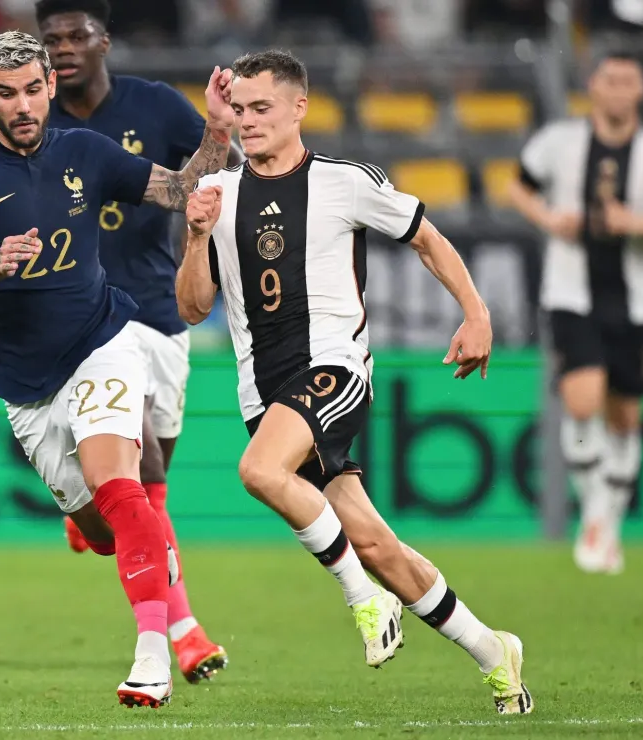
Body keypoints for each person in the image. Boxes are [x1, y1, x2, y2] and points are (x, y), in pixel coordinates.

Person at [177, 50, 533, 715]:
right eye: (240, 110)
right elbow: (193, 307)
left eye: (262, 109)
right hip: (264, 391)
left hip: (334, 369)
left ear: (298, 108)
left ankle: (364, 599)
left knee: (258, 472)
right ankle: (493, 652)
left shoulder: (345, 181)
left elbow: (428, 238)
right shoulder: (217, 196)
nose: (248, 122)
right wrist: (196, 238)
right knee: (372, 543)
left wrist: (476, 313)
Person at [0, 30, 233, 707]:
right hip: (25, 386)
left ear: (49, 86)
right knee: (106, 532)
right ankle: (98, 534)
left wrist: (216, 130)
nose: (23, 104)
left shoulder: (84, 151)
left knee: (126, 486)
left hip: (102, 340)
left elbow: (177, 189)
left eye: (32, 89)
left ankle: (153, 659)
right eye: (7, 94)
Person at [36, 0, 243, 686]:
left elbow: (216, 174)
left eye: (76, 35)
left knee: (147, 489)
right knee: (145, 471)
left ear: (104, 40)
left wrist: (217, 131)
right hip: (80, 323)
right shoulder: (33, 125)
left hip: (158, 313)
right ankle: (179, 633)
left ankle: (90, 519)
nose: (63, 48)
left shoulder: (153, 107)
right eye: (51, 39)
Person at [509, 52, 643, 575]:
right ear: (593, 85)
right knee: (582, 402)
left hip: (638, 301)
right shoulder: (560, 142)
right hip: (570, 295)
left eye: (628, 81)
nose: (618, 90)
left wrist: (634, 222)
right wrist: (547, 217)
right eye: (609, 79)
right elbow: (519, 185)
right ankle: (596, 518)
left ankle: (605, 523)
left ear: (639, 91)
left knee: (625, 417)